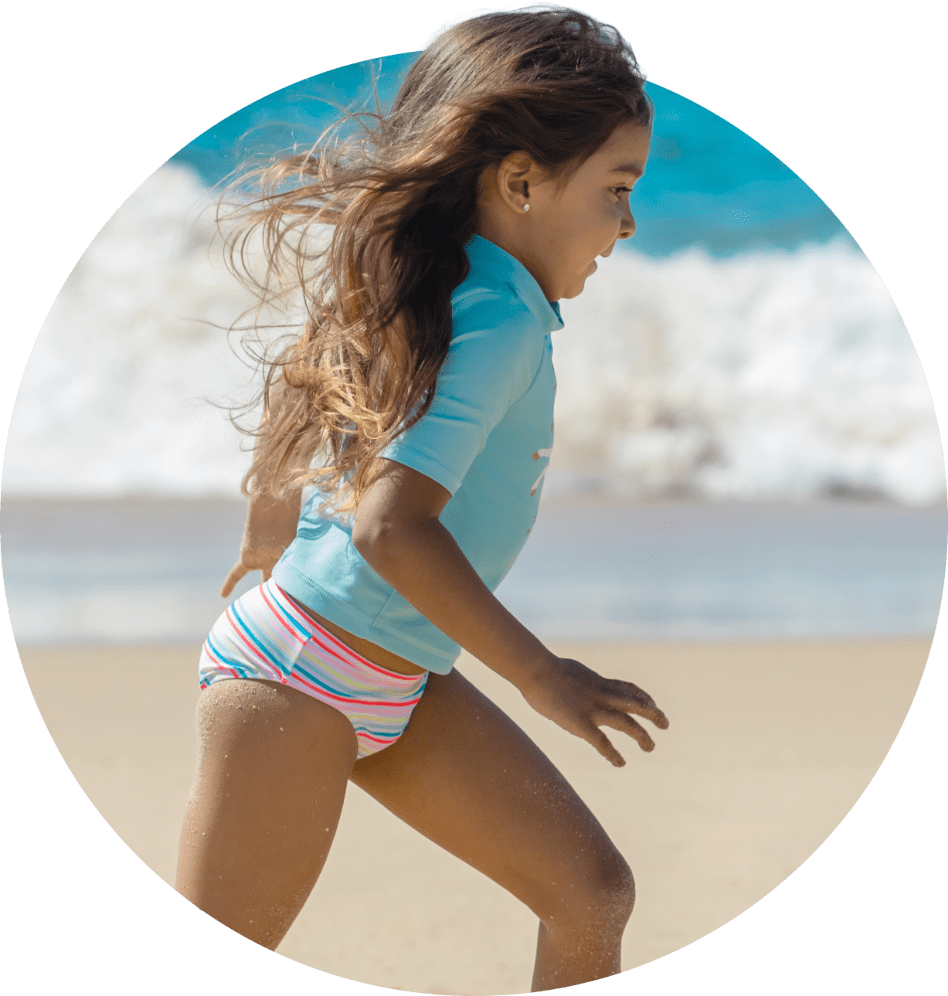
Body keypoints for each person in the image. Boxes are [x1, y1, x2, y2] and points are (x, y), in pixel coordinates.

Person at [175, 5, 669, 989]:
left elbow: (304, 369)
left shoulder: (457, 283)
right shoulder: (496, 320)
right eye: (616, 190)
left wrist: (268, 529)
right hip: (300, 684)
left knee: (591, 890)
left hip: (389, 676)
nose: (628, 222)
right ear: (521, 181)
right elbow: (393, 526)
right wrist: (542, 677)